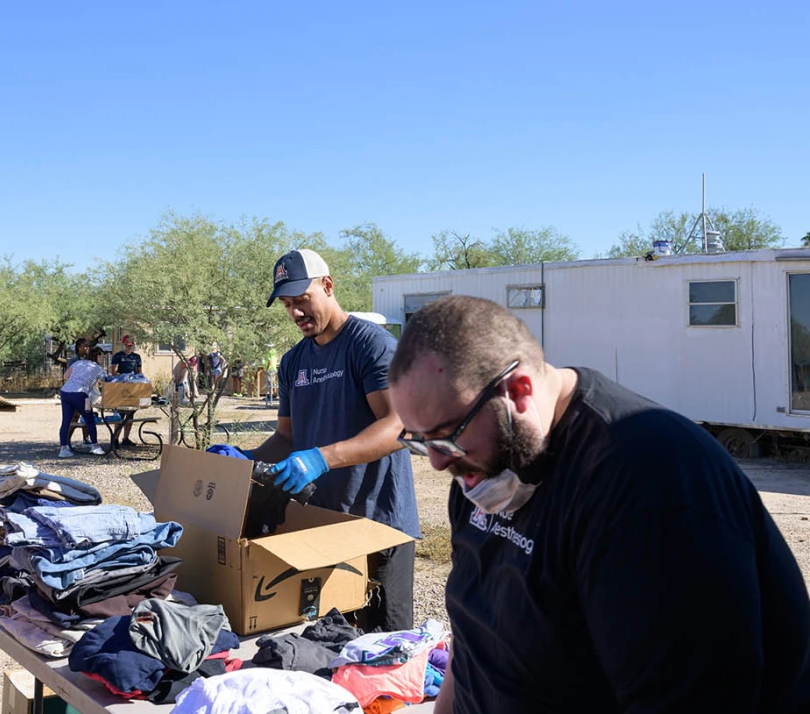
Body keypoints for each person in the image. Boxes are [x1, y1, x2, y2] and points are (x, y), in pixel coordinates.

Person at [388, 295, 810, 713]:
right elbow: (472, 641)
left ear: (518, 391)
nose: (439, 461)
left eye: (445, 435)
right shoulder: (486, 463)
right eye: (421, 440)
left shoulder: (649, 485)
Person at [246, 249, 421, 633]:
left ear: (327, 286)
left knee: (383, 652)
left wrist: (323, 458)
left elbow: (400, 425)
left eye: (302, 300)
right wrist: (243, 460)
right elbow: (287, 437)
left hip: (378, 525)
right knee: (328, 645)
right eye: (288, 305)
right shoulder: (293, 361)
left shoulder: (369, 345)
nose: (295, 313)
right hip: (323, 524)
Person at [58, 345, 105, 458]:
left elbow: (65, 376)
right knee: (89, 419)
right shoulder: (98, 368)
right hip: (81, 395)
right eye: (102, 357)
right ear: (98, 356)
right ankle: (95, 446)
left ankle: (63, 449)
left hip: (65, 393)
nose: (102, 360)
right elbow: (106, 381)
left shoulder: (78, 363)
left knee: (66, 421)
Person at [109, 335, 143, 446]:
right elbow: (114, 372)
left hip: (132, 388)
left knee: (130, 414)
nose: (129, 347)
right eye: (127, 345)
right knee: (119, 415)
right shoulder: (118, 356)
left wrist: (137, 380)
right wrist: (124, 377)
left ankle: (126, 438)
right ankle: (115, 438)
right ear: (123, 344)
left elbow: (139, 372)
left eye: (131, 345)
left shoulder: (136, 357)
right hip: (121, 387)